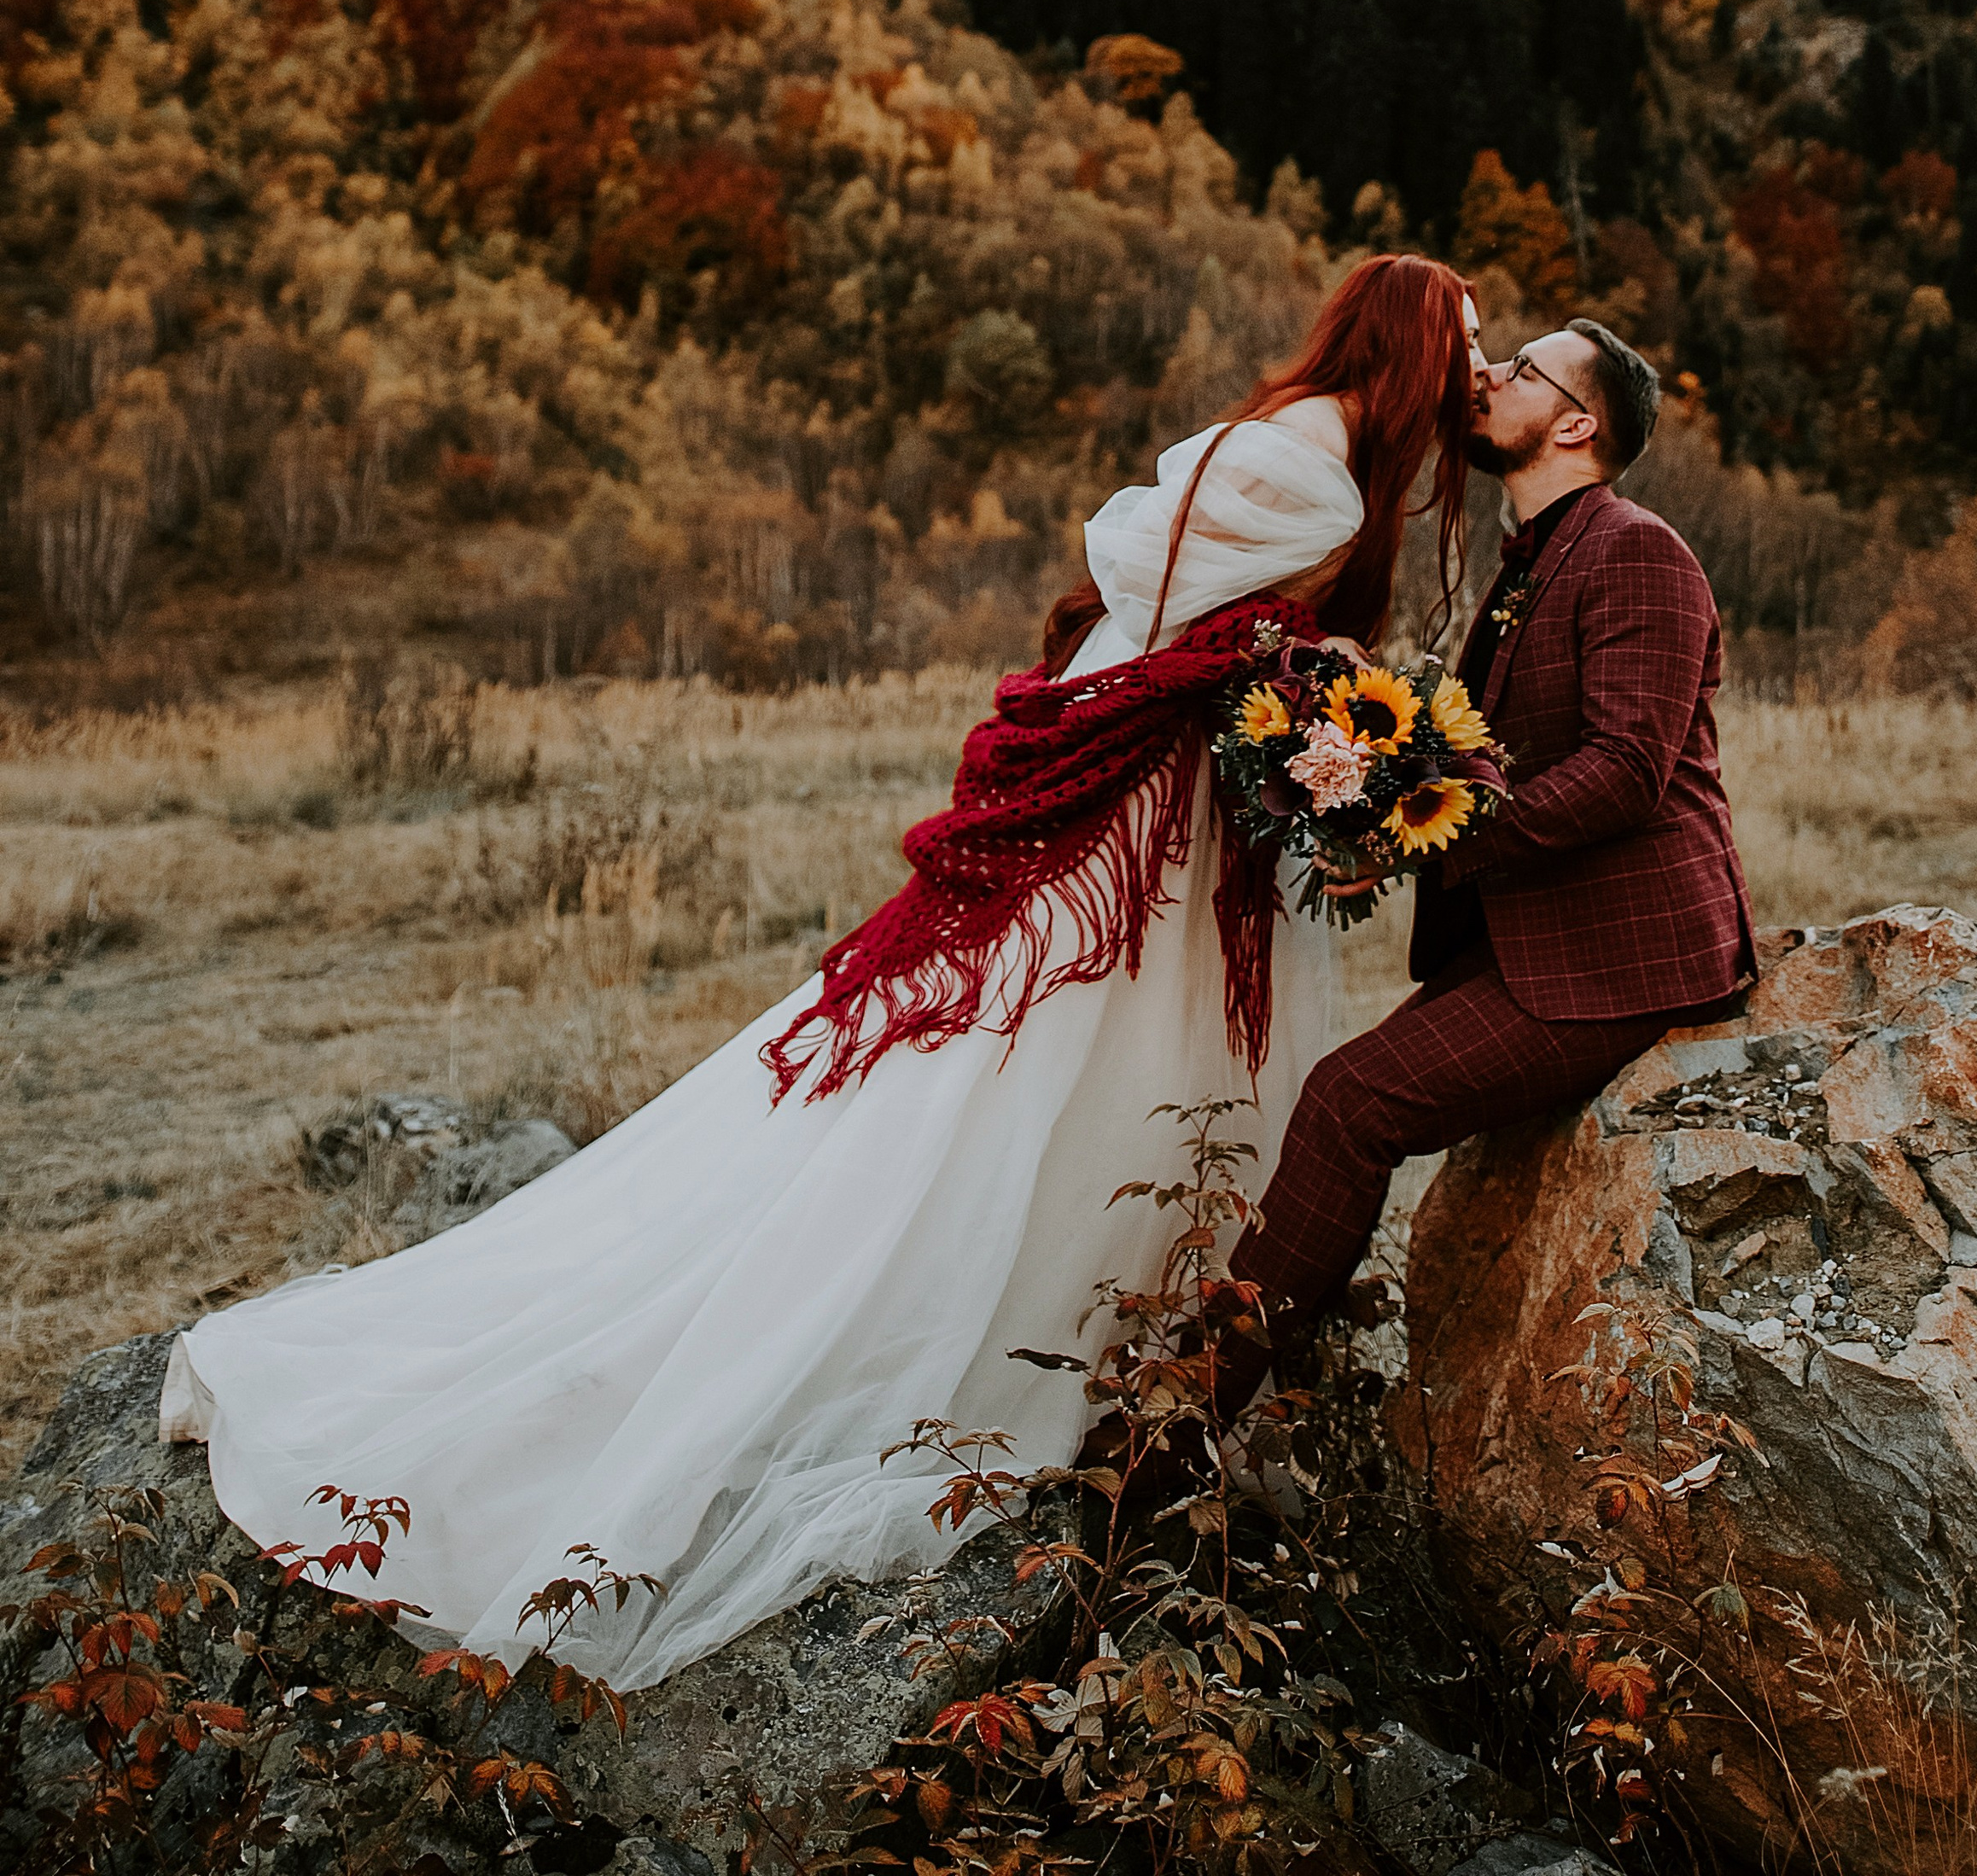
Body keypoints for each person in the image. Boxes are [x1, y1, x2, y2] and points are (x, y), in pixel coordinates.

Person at [160, 253, 1473, 1689]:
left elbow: (1174, 613)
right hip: (1147, 818)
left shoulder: (1282, 445)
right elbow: (1189, 635)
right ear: (1410, 349)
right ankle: (1044, 1344)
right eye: (1467, 345)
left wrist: (1314, 709)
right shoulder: (1320, 475)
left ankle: (1108, 1335)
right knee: (1051, 1075)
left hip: (1165, 803)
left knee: (1061, 1071)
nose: (1479, 371)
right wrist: (1323, 722)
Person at [1227, 312, 1754, 1345]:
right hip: (1537, 937)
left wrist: (1428, 835)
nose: (1487, 377)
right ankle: (1255, 1410)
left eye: (1519, 370)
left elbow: (1624, 773)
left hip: (1626, 953)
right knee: (1335, 1096)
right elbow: (1476, 751)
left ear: (1574, 425)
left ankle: (1179, 1441)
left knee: (1347, 1103)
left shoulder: (1638, 552)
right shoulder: (1528, 562)